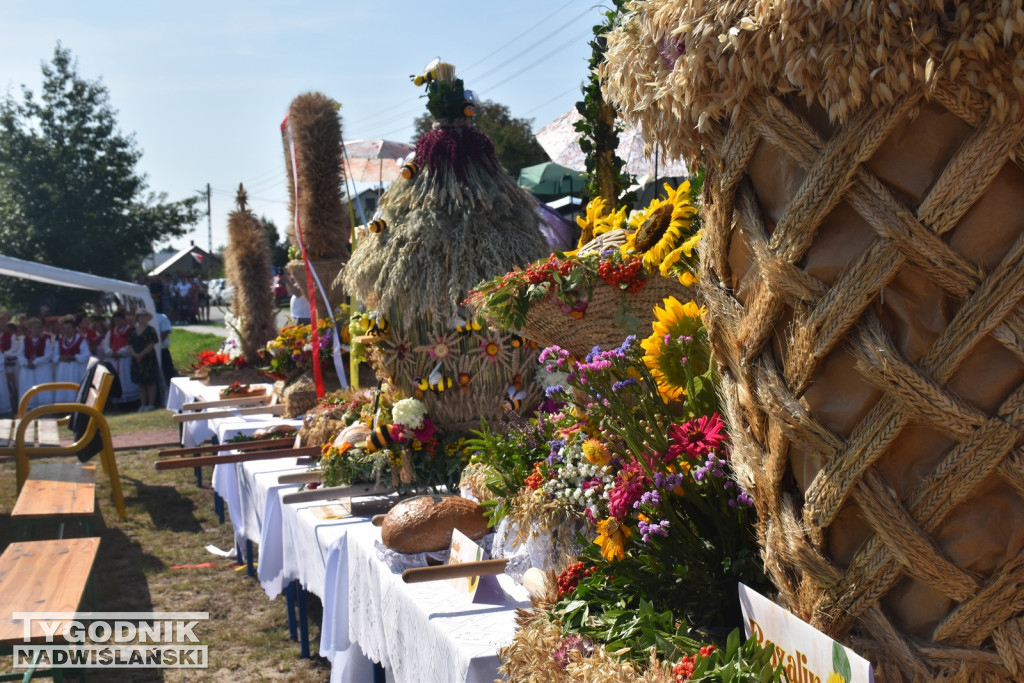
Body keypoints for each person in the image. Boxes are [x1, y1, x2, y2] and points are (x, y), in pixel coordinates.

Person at [102, 310, 139, 407]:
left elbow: (132, 344)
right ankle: (118, 402)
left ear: (124, 320)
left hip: (125, 359)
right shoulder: (111, 332)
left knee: (126, 378)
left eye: (119, 321)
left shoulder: (131, 330)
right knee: (117, 379)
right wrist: (110, 352)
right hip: (114, 359)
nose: (118, 323)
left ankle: (131, 403)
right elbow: (106, 344)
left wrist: (120, 352)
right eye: (115, 321)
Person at [17, 318, 54, 412]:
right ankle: (29, 407)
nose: (37, 330)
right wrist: (26, 362)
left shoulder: (46, 340)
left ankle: (45, 407)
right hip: (28, 368)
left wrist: (36, 362)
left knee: (42, 386)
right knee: (28, 386)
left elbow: (48, 354)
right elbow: (20, 355)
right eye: (35, 328)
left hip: (41, 368)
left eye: (39, 328)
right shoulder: (24, 341)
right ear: (30, 329)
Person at [53, 314, 91, 403]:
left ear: (74, 329)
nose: (66, 331)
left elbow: (86, 355)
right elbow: (54, 356)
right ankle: (64, 406)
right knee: (64, 387)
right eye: (64, 329)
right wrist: (61, 357)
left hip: (76, 369)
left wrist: (74, 357)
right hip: (63, 370)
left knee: (75, 386)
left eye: (69, 328)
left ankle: (77, 404)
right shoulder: (60, 342)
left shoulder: (81, 340)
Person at [128, 311, 159, 412]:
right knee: (141, 383)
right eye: (140, 316)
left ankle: (151, 404)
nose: (142, 318)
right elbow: (129, 345)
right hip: (137, 359)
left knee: (150, 382)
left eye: (144, 316)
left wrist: (141, 354)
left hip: (148, 359)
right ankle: (143, 404)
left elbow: (152, 343)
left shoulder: (151, 330)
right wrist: (135, 355)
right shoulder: (133, 331)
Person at [155, 311, 177, 395]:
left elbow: (165, 332)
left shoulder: (161, 317)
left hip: (161, 350)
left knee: (167, 374)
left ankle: (172, 394)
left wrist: (156, 343)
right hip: (149, 352)